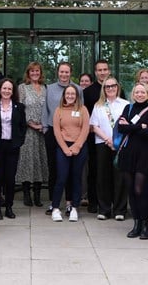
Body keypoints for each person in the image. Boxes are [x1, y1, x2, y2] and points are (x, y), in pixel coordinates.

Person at [117, 83, 148, 239]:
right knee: (131, 191)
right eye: (137, 92)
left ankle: (145, 224)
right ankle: (136, 224)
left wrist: (131, 126)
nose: (140, 94)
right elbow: (120, 128)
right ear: (133, 94)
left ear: (147, 94)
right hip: (127, 153)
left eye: (143, 92)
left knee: (140, 189)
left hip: (144, 154)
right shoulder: (128, 108)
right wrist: (140, 125)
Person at [89, 76, 130, 221]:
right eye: (107, 87)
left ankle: (120, 209)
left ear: (117, 87)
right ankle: (104, 209)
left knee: (120, 177)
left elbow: (128, 125)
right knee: (103, 176)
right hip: (102, 144)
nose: (111, 88)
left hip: (121, 145)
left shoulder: (126, 104)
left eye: (113, 86)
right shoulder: (98, 106)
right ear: (104, 89)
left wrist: (116, 142)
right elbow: (93, 126)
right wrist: (108, 139)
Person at [42, 62, 81, 213]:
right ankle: (53, 202)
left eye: (67, 72)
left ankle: (70, 202)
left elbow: (81, 109)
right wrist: (45, 127)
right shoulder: (49, 88)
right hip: (53, 132)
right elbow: (45, 108)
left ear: (70, 73)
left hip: (72, 134)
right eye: (61, 72)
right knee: (54, 168)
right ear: (57, 72)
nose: (64, 75)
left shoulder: (77, 89)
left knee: (71, 170)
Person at [50, 84, 90, 222]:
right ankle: (55, 208)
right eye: (68, 94)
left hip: (79, 146)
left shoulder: (83, 109)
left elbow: (85, 129)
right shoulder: (58, 110)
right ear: (64, 96)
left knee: (76, 178)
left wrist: (77, 146)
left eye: (73, 94)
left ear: (77, 96)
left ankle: (74, 207)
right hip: (63, 146)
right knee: (61, 177)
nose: (70, 96)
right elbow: (56, 131)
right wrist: (65, 148)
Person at [0, 78, 27, 219]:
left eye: (9, 89)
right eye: (4, 88)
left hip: (12, 146)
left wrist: (19, 141)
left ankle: (9, 207)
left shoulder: (19, 106)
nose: (6, 91)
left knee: (10, 178)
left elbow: (23, 127)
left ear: (13, 91)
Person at [82, 59, 114, 215]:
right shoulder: (88, 92)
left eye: (105, 69)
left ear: (108, 71)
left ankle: (111, 201)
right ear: (95, 72)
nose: (102, 72)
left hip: (114, 138)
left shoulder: (116, 88)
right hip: (93, 136)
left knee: (112, 170)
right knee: (94, 170)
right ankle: (93, 201)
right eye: (99, 70)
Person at [17, 62, 48, 208]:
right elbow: (19, 109)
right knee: (27, 161)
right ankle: (26, 194)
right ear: (28, 73)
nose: (35, 73)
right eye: (32, 71)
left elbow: (48, 109)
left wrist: (43, 125)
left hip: (42, 131)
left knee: (40, 162)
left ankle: (37, 195)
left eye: (37, 71)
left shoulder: (45, 88)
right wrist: (31, 124)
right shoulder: (22, 88)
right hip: (28, 130)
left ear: (40, 73)